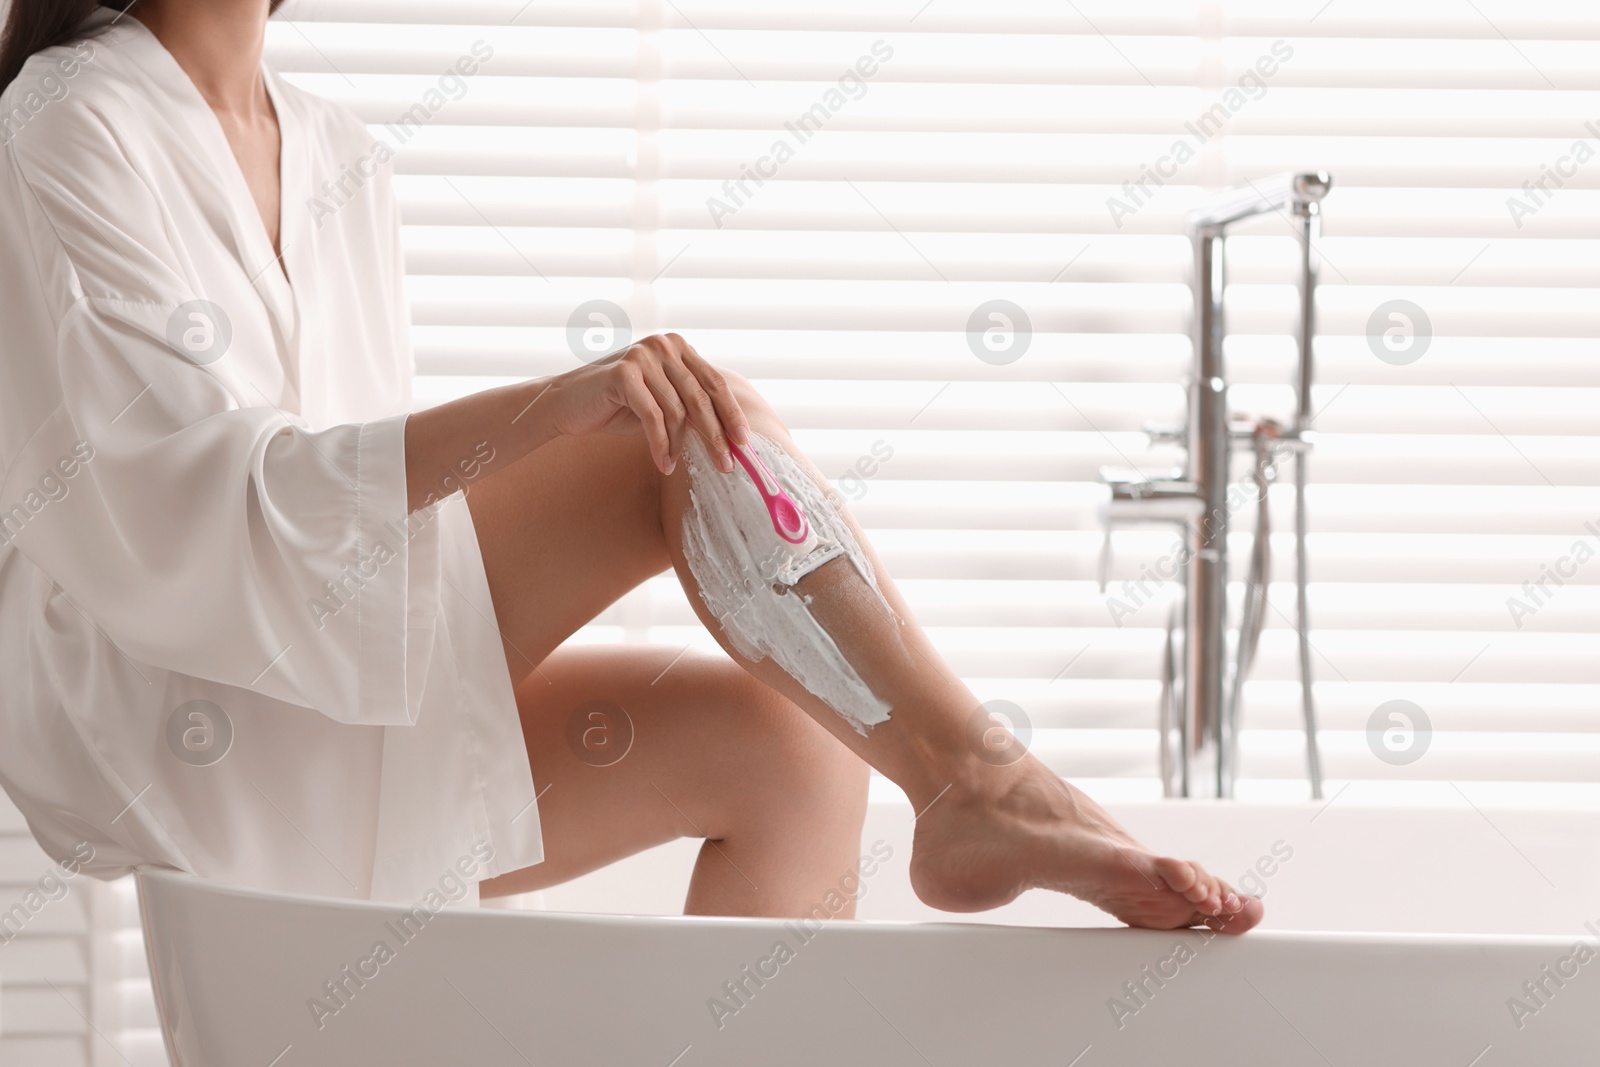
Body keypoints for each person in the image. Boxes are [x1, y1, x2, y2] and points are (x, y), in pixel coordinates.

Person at [0, 0, 1261, 932]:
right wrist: (545, 411)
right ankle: (981, 780)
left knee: (791, 747)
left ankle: (972, 787)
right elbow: (177, 494)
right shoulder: (68, 116)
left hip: (335, 676)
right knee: (662, 432)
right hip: (188, 693)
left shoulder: (335, 150)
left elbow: (347, 482)